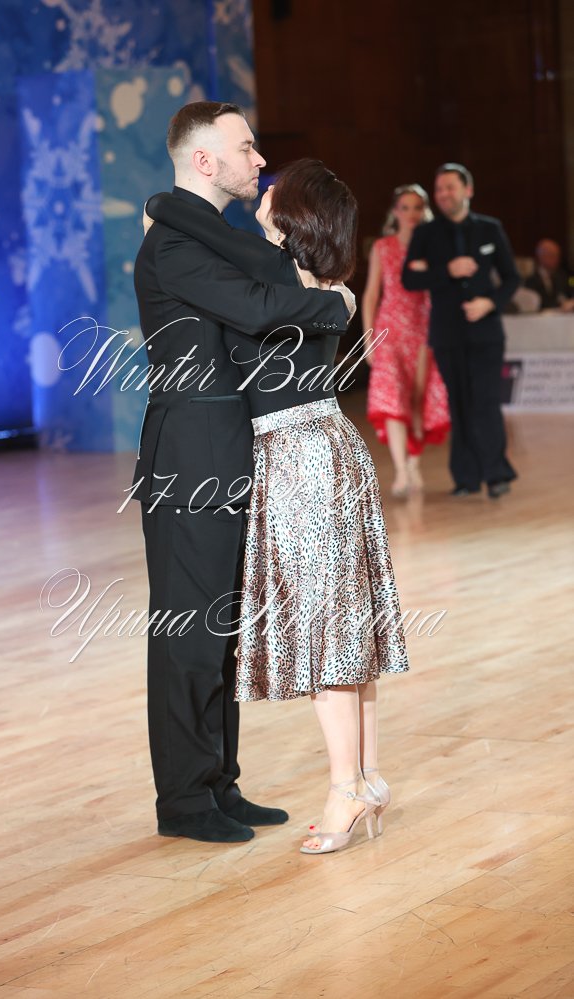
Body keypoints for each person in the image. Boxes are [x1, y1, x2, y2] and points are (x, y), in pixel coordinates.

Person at [147, 158, 409, 857]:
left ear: (293, 218)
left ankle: (345, 789)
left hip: (298, 457)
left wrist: (161, 207)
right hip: (330, 444)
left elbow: (229, 259)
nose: (263, 186)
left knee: (325, 634)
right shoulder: (320, 279)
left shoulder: (274, 273)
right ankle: (366, 777)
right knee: (347, 628)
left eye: (276, 192)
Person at [133, 103, 354, 844]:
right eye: (247, 148)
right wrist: (335, 304)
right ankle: (184, 800)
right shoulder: (175, 243)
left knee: (220, 629)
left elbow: (260, 264)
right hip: (188, 461)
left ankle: (218, 783)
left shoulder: (198, 230)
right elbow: (256, 305)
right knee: (188, 632)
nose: (260, 160)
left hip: (228, 453)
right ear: (204, 160)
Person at [401, 163, 520, 499]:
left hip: (486, 333)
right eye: (439, 189)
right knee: (459, 403)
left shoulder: (490, 229)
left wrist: (490, 303)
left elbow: (512, 278)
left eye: (450, 187)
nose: (443, 194)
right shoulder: (426, 233)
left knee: (486, 401)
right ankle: (466, 478)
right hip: (447, 333)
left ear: (468, 190)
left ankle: (496, 474)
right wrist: (446, 270)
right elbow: (409, 279)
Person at [362, 185, 449, 497]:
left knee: (417, 399)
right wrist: (369, 338)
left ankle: (413, 464)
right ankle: (400, 470)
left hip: (423, 331)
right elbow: (371, 294)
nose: (411, 213)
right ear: (395, 212)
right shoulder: (383, 247)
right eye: (405, 207)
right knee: (391, 398)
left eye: (417, 207)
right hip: (388, 332)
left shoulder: (434, 247)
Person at [524, 239, 574, 311]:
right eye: (552, 255)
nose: (556, 259)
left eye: (557, 255)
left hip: (561, 315)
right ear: (541, 256)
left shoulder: (564, 277)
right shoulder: (529, 279)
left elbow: (571, 287)